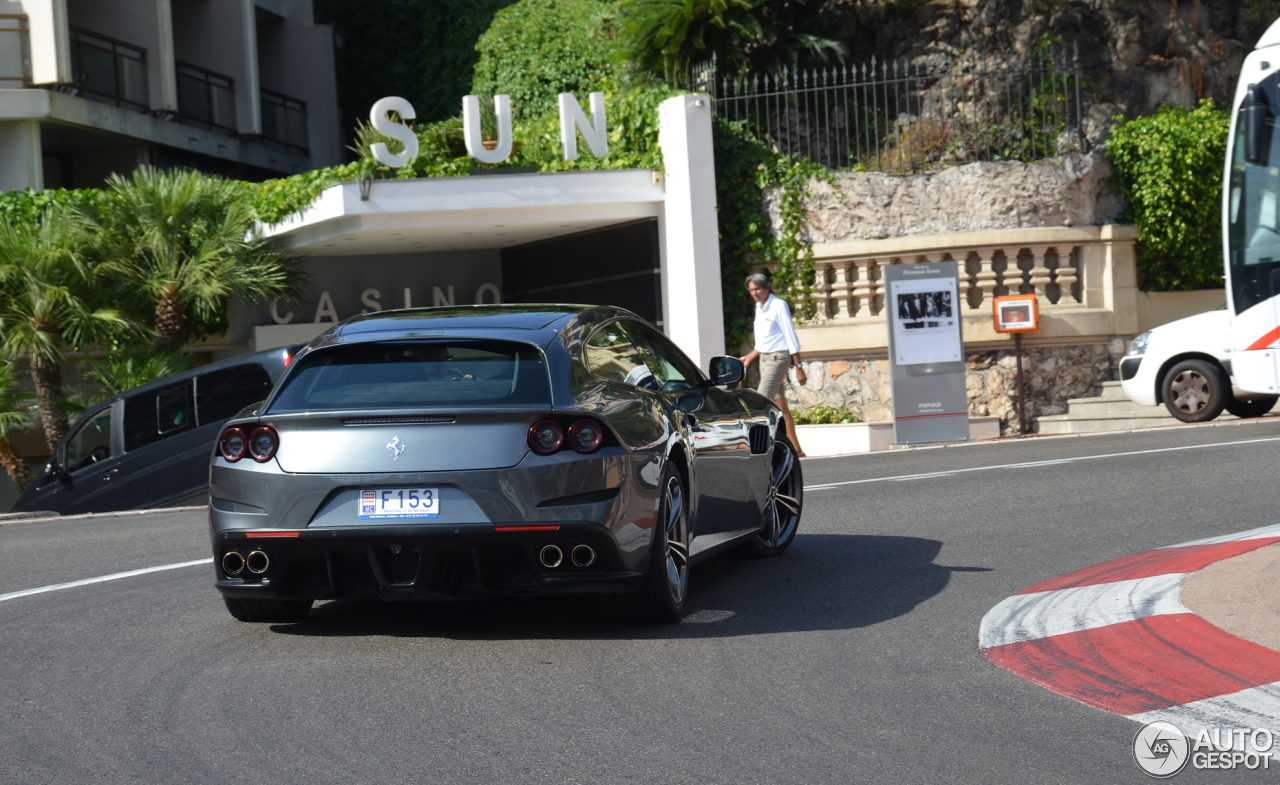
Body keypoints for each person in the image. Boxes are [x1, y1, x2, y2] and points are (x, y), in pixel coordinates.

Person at [738, 273, 808, 457]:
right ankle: (797, 450)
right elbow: (764, 340)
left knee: (761, 401)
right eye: (751, 290)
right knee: (781, 406)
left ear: (767, 288)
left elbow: (790, 335)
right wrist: (750, 356)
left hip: (778, 358)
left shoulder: (778, 305)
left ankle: (757, 448)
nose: (755, 293)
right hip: (765, 358)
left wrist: (799, 367)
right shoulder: (759, 307)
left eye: (758, 289)